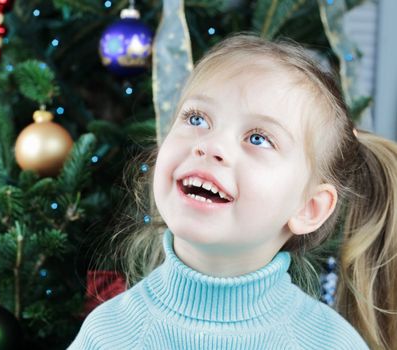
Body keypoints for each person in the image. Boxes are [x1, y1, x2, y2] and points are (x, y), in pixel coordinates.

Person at [69, 33, 397, 349]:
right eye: (197, 119)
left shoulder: (329, 343)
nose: (210, 146)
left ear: (309, 208)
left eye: (258, 138)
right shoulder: (109, 335)